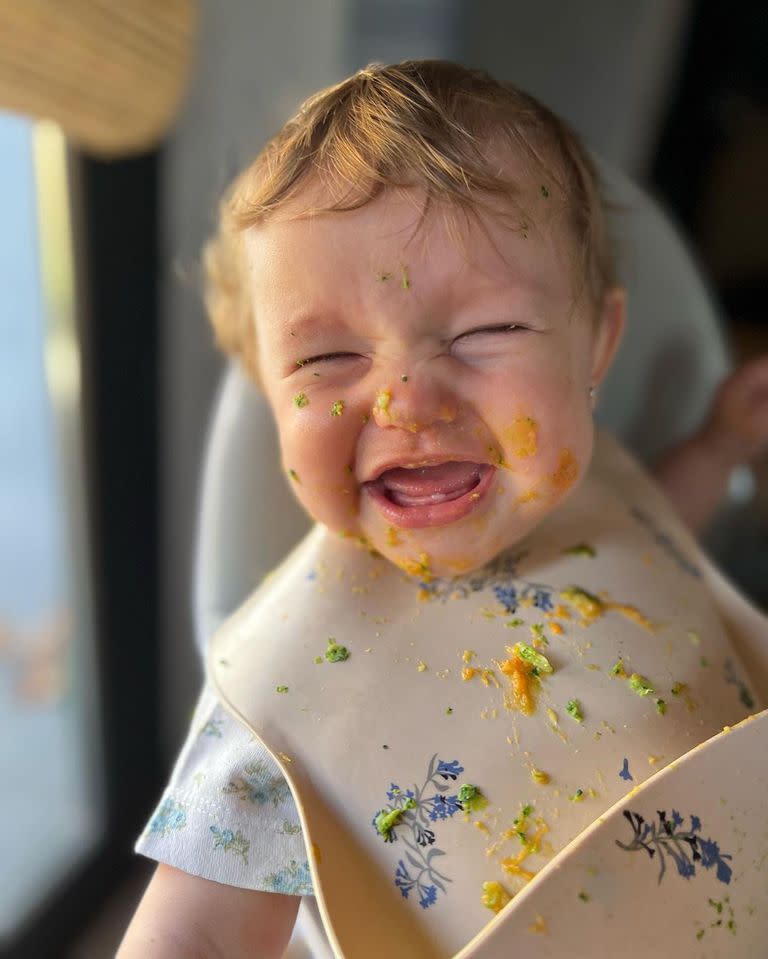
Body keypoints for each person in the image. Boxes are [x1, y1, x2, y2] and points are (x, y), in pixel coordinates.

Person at [117, 60, 767, 958]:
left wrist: (718, 449)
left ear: (597, 346)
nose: (409, 400)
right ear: (273, 395)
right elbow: (196, 937)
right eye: (326, 360)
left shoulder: (597, 481)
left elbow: (654, 545)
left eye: (486, 331)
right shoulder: (274, 703)